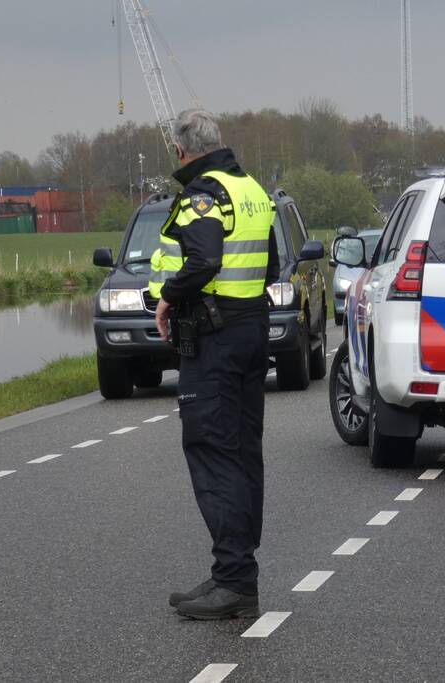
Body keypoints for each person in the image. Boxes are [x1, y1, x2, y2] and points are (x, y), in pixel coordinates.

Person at [152, 109, 279, 620]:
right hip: (250, 327)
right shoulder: (251, 189)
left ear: (181, 149)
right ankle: (234, 572)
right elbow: (270, 264)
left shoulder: (203, 193)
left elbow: (203, 259)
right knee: (243, 452)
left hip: (215, 336)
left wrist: (167, 297)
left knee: (213, 451)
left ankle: (234, 582)